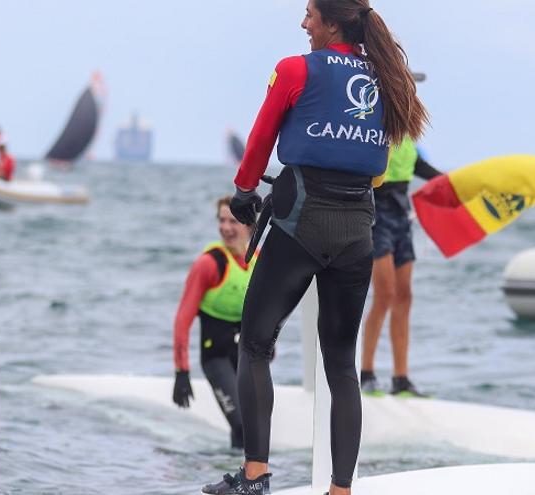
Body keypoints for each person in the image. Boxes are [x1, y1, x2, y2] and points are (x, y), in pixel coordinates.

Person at [201, 1, 427, 494]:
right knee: (342, 364)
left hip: (299, 219)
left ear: (332, 22)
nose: (303, 23)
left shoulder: (294, 69)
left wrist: (244, 192)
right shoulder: (384, 76)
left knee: (256, 343)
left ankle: (255, 475)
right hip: (358, 229)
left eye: (309, 14)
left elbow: (260, 139)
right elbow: (379, 170)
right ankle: (340, 489)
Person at [172, 196, 257, 449]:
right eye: (221, 220)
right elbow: (182, 320)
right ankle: (240, 480)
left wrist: (269, 342)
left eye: (233, 221)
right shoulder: (208, 264)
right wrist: (181, 372)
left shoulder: (258, 260)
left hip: (246, 355)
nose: (226, 228)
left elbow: (269, 310)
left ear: (250, 224)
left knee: (253, 426)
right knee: (241, 424)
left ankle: (243, 476)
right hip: (215, 357)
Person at [360, 137, 441, 397]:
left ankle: (401, 378)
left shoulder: (409, 145)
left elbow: (429, 173)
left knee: (404, 296)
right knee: (384, 295)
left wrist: (463, 184)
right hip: (376, 216)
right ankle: (367, 374)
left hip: (400, 217)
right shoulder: (375, 135)